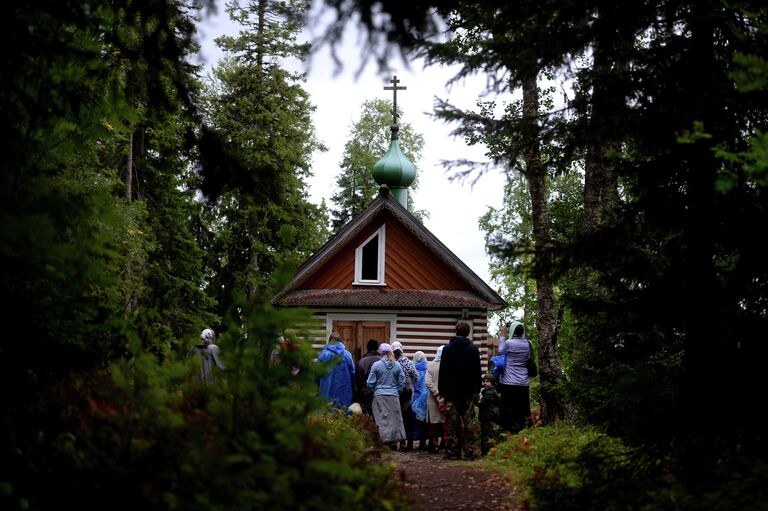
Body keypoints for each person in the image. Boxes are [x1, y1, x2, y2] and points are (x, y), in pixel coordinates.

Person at [438, 321, 482, 460]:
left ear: (456, 331)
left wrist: (442, 391)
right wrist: (477, 389)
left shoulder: (447, 349)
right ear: (468, 332)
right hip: (468, 392)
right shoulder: (473, 349)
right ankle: (469, 452)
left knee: (452, 423)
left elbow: (443, 371)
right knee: (469, 424)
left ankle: (452, 452)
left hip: (451, 393)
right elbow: (477, 371)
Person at [367, 343, 406, 449]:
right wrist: (397, 391)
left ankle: (384, 441)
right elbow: (402, 381)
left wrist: (375, 390)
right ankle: (394, 441)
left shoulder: (376, 365)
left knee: (381, 419)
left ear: (380, 352)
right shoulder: (397, 365)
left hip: (379, 395)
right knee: (394, 419)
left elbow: (370, 383)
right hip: (393, 396)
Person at [497, 320, 534, 433]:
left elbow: (500, 352)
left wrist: (502, 336)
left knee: (508, 410)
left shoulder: (509, 343)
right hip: (523, 382)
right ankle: (523, 431)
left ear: (512, 330)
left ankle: (507, 432)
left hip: (508, 382)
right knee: (522, 410)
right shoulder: (529, 343)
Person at [316, 332, 355, 411]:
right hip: (344, 391)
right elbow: (352, 373)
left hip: (326, 390)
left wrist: (316, 387)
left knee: (326, 416)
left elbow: (317, 374)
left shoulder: (323, 354)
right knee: (343, 415)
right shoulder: (347, 355)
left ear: (330, 341)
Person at [392, 341, 418, 451]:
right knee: (406, 417)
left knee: (395, 417)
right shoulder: (407, 362)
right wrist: (410, 383)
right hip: (407, 393)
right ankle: (404, 443)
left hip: (394, 393)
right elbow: (416, 377)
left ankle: (394, 442)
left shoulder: (391, 362)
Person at [424, 345, 446, 453]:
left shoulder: (431, 365)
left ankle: (434, 445)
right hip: (446, 399)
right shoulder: (450, 366)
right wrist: (444, 396)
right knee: (444, 422)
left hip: (433, 399)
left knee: (434, 423)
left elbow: (428, 382)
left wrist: (437, 395)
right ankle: (444, 444)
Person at [354, 338, 380, 416]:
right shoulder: (382, 361)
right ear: (377, 348)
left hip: (364, 395)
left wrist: (356, 396)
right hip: (378, 394)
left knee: (365, 419)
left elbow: (357, 380)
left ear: (367, 348)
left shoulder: (362, 361)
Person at [478, 373, 503, 455]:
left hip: (489, 416)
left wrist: (475, 400)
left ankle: (487, 452)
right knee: (488, 433)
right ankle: (487, 452)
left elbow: (481, 404)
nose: (485, 383)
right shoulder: (488, 391)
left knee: (488, 434)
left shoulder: (490, 392)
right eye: (484, 381)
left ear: (492, 382)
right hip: (489, 415)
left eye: (487, 381)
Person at [410, 351, 429, 450]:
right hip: (425, 396)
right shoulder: (428, 367)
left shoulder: (413, 368)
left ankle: (413, 440)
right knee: (424, 419)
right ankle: (423, 442)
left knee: (414, 419)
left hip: (415, 396)